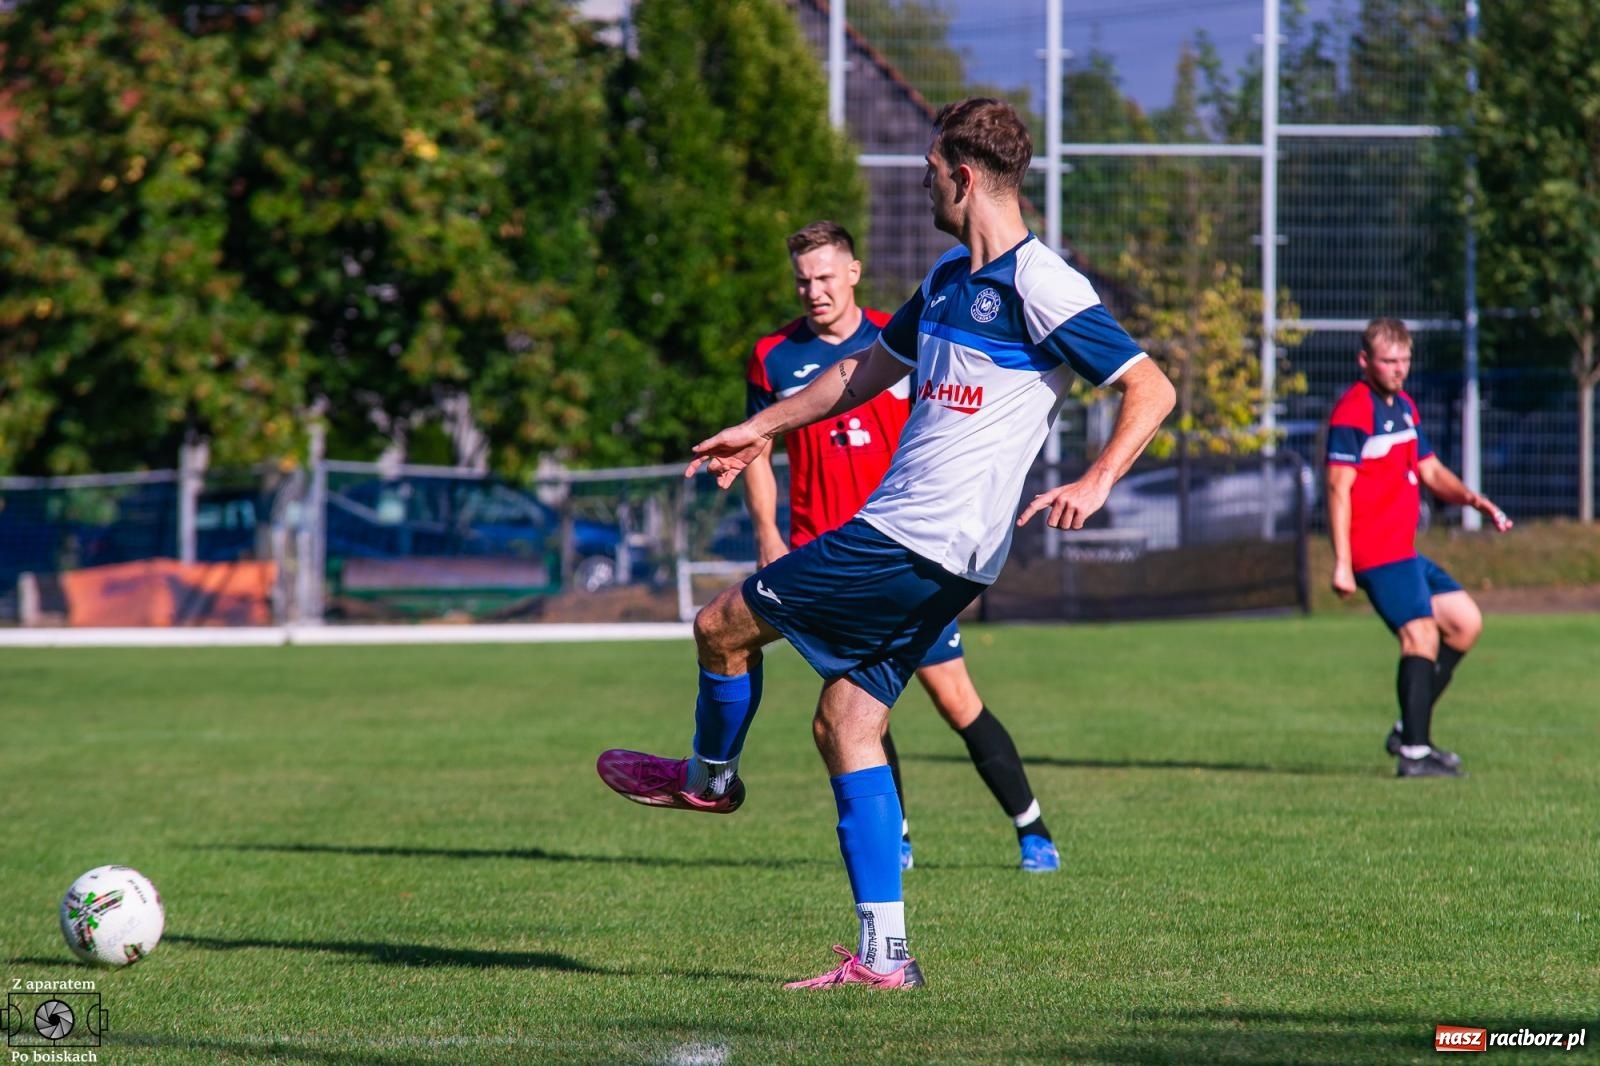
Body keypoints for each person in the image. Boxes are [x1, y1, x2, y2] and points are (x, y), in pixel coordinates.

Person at [597, 97, 1175, 989]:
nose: (924, 185)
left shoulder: (1043, 284)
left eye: (930, 173)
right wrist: (763, 430)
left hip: (909, 539)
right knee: (847, 722)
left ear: (965, 176)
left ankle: (708, 780)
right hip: (940, 558)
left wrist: (1095, 481)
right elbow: (859, 373)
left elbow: (1151, 388)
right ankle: (886, 959)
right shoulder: (949, 276)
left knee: (720, 626)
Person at [744, 218, 1058, 874]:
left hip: (908, 550)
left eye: (826, 276)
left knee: (953, 697)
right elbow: (758, 447)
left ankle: (1031, 828)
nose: (814, 290)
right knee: (855, 705)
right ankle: (899, 838)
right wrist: (769, 534)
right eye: (803, 280)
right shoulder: (773, 355)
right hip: (822, 553)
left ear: (854, 272)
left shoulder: (910, 334)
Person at [1325, 318, 1512, 778]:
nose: (1398, 369)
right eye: (1389, 361)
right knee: (1421, 636)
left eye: (1405, 360)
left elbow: (1429, 470)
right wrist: (1343, 563)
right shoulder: (1354, 410)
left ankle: (1409, 727)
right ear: (1364, 361)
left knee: (1465, 624)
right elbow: (1337, 488)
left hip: (1403, 551)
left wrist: (1470, 497)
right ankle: (1414, 753)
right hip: (1375, 552)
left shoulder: (1405, 407)